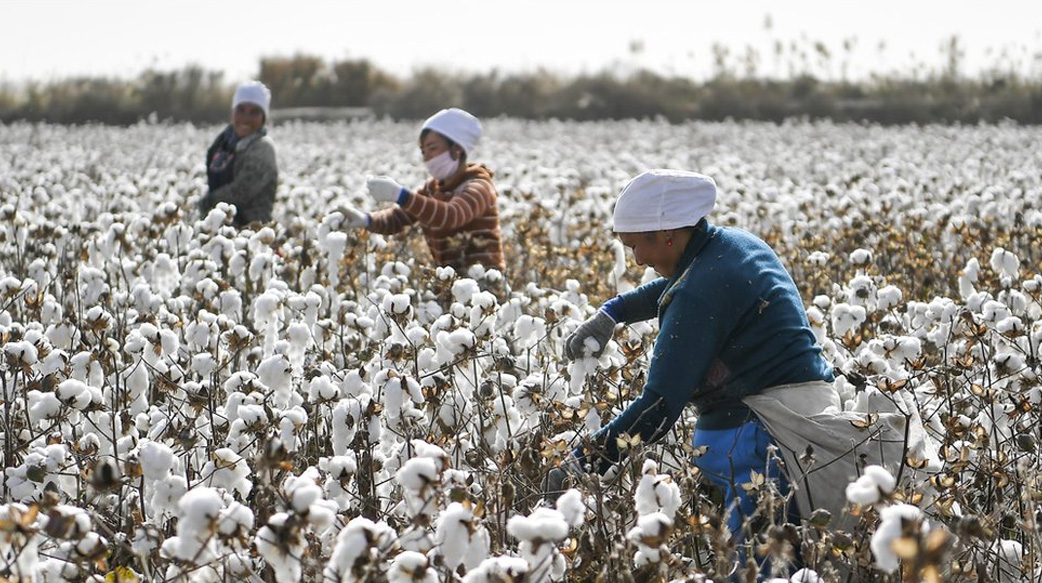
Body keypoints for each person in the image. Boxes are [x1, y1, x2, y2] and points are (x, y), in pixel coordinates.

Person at [550, 169, 854, 576]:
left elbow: (658, 406)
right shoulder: (732, 246)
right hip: (789, 429)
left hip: (764, 442)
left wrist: (585, 462)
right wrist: (614, 312)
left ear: (669, 233)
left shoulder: (701, 291)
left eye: (638, 246)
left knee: (762, 571)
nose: (637, 259)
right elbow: (681, 282)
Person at [337, 107, 505, 272]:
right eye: (423, 151)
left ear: (457, 149)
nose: (427, 157)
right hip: (451, 284)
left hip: (486, 288)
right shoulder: (432, 188)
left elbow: (451, 215)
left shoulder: (480, 187)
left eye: (433, 148)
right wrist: (367, 220)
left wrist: (401, 195)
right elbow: (399, 217)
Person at [198, 80, 278, 227]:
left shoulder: (263, 148)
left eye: (254, 112)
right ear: (233, 112)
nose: (246, 117)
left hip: (252, 233)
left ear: (263, 118)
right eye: (241, 110)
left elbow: (241, 191)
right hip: (218, 225)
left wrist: (206, 202)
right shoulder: (222, 143)